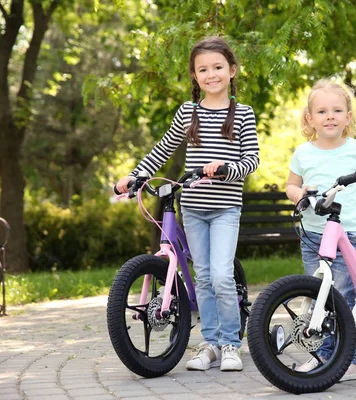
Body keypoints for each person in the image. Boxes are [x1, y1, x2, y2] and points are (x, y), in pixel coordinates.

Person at [115, 36, 259, 372]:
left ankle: (231, 344)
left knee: (222, 275)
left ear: (232, 71)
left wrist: (226, 169)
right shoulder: (188, 112)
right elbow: (163, 149)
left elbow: (251, 160)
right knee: (204, 277)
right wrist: (134, 176)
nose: (211, 74)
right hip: (193, 208)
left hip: (225, 208)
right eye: (203, 69)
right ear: (195, 76)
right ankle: (210, 343)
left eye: (218, 67)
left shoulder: (243, 114)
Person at [285, 79, 356, 381]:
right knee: (317, 297)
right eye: (321, 111)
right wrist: (298, 193)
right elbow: (291, 185)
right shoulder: (303, 153)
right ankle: (325, 355)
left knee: (341, 298)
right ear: (310, 119)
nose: (329, 116)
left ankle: (348, 360)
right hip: (312, 236)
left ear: (348, 117)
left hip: (347, 236)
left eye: (336, 110)